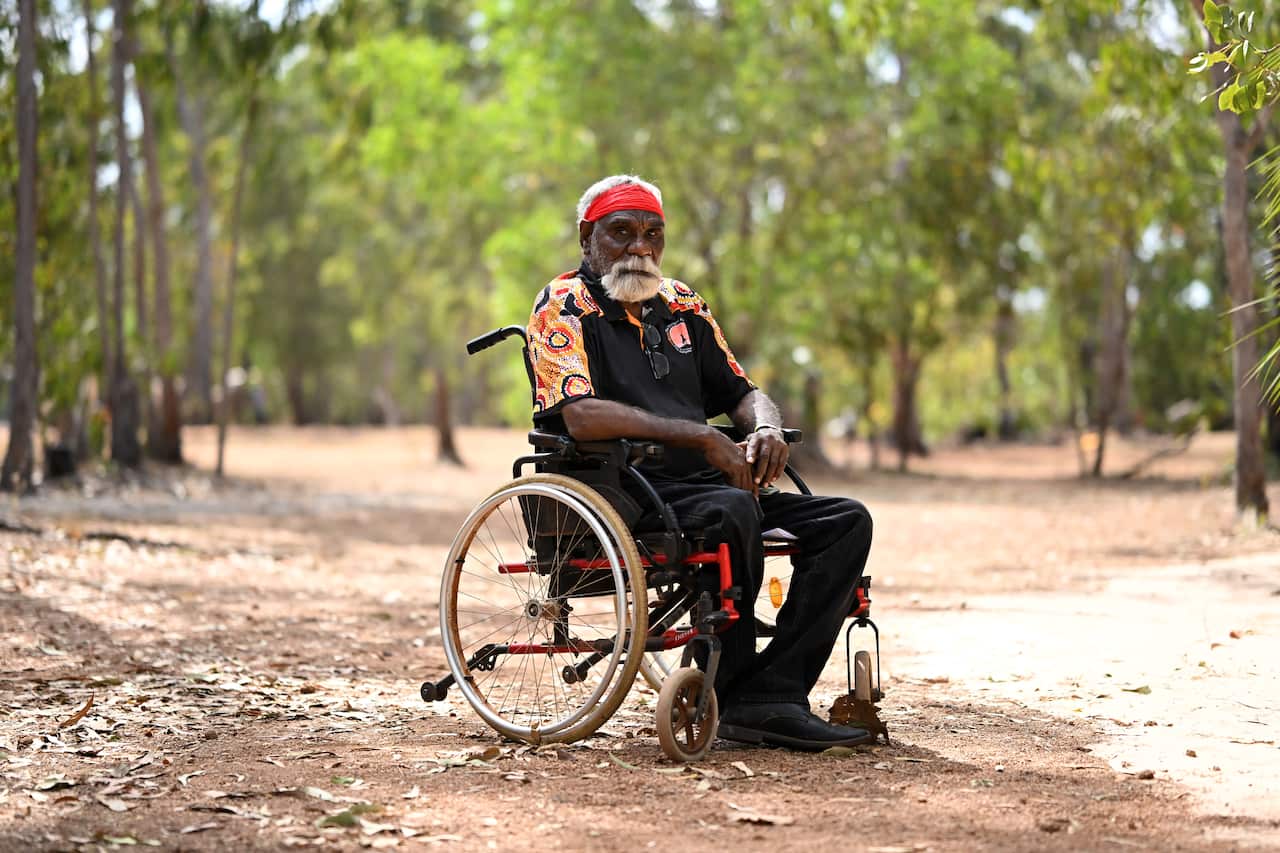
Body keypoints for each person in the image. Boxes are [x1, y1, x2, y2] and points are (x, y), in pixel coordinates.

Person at [525, 174, 875, 750]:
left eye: (652, 234)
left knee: (846, 521)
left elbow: (742, 389)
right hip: (621, 489)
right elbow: (581, 416)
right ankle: (736, 689)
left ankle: (774, 694)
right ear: (587, 237)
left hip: (706, 486)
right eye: (621, 233)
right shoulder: (563, 304)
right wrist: (702, 437)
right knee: (733, 507)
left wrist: (761, 426)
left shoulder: (682, 304)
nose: (640, 248)